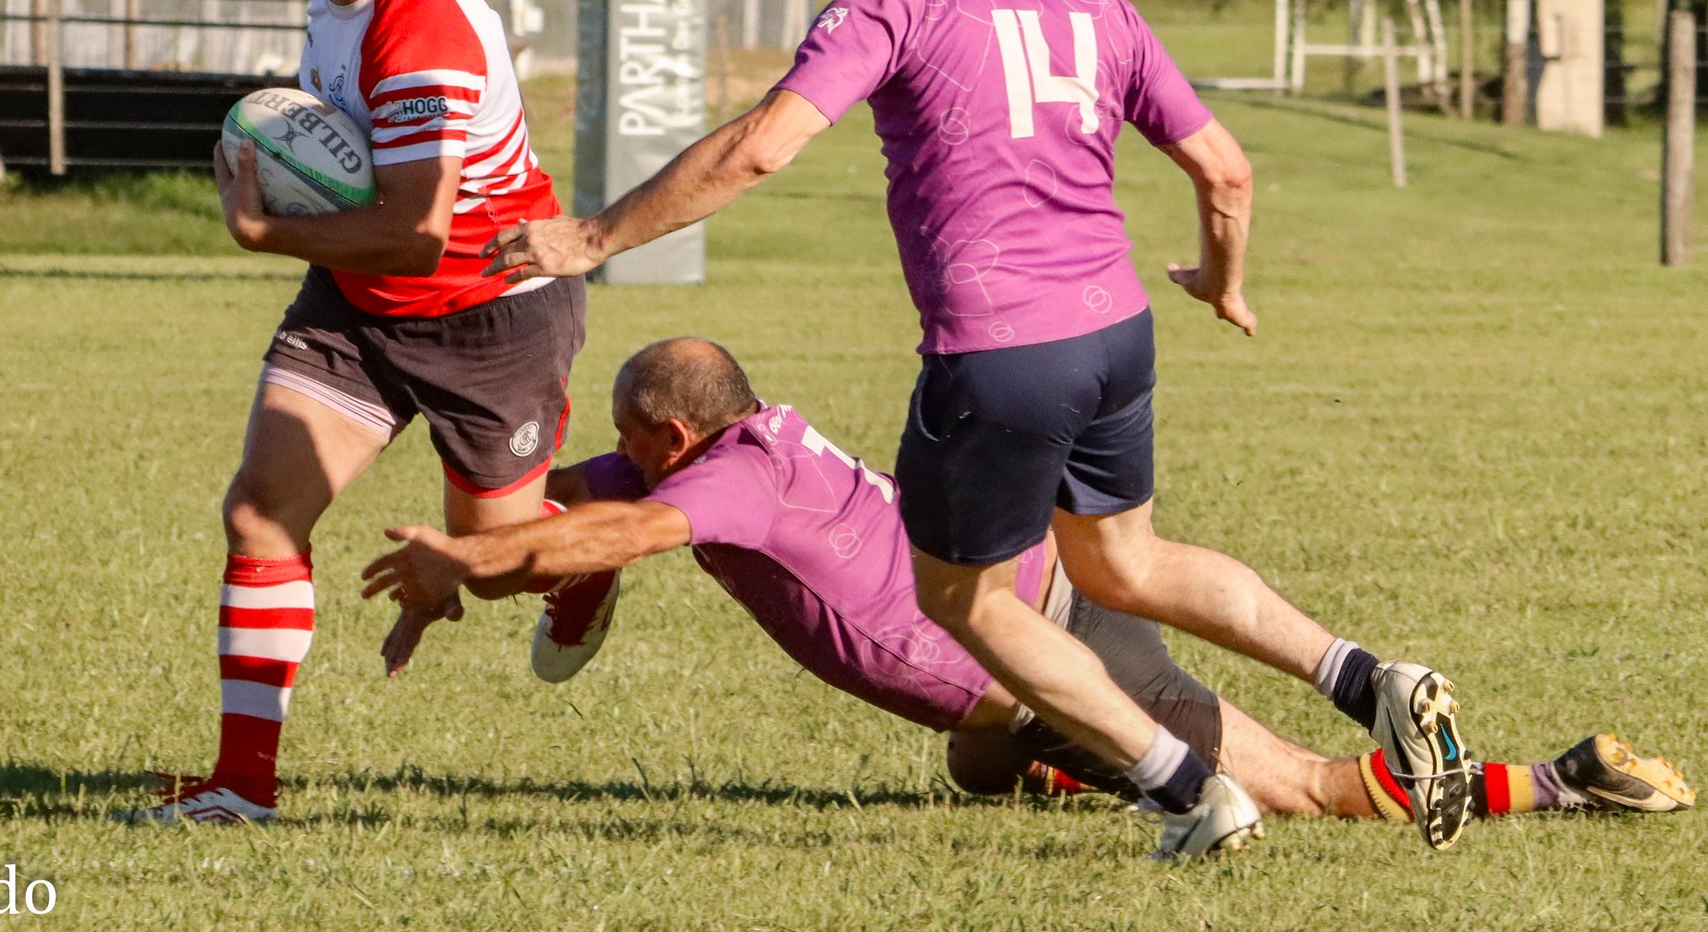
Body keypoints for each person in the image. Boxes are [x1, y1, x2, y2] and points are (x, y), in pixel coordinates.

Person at [481, 0, 1475, 851]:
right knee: (1124, 563)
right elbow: (1225, 170)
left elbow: (762, 147)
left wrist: (593, 236)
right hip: (1117, 331)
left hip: (1000, 351)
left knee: (962, 600)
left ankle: (1187, 791)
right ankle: (1366, 677)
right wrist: (1220, 283)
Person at [362, 340, 1695, 855]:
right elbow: (555, 500)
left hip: (1058, 639)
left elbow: (629, 529)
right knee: (975, 763)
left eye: (626, 434)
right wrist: (473, 533)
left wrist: (471, 564)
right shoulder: (742, 440)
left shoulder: (725, 484)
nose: (619, 452)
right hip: (1018, 628)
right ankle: (1092, 755)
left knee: (1310, 787)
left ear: (668, 431)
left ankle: (1563, 778)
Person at [125, 0, 605, 825]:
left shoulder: (424, 35)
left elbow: (416, 235)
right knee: (261, 510)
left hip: (490, 310)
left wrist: (262, 230)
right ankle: (242, 784)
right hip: (358, 300)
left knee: (491, 563)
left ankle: (586, 552)